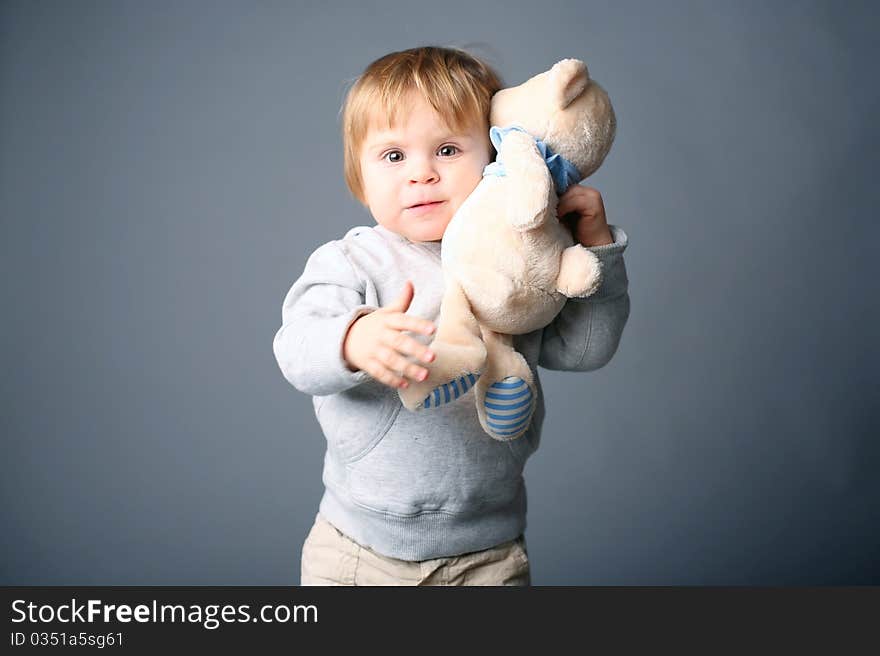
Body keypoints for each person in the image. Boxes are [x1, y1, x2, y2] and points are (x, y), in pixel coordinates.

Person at [272, 46, 630, 585]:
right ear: (359, 174)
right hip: (357, 551)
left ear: (496, 159)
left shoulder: (524, 267)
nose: (421, 174)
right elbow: (295, 349)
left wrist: (595, 249)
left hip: (487, 552)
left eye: (446, 149)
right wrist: (352, 338)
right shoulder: (352, 260)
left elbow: (586, 351)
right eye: (394, 156)